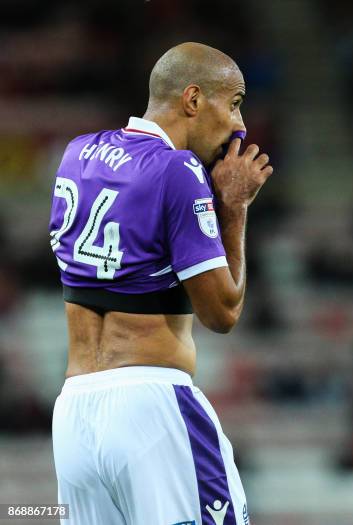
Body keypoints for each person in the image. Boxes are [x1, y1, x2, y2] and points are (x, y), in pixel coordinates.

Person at [48, 42, 272, 525]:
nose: (240, 123)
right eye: (233, 102)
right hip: (152, 410)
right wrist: (232, 207)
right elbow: (223, 313)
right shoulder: (179, 169)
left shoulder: (77, 153)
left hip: (74, 416)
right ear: (193, 100)